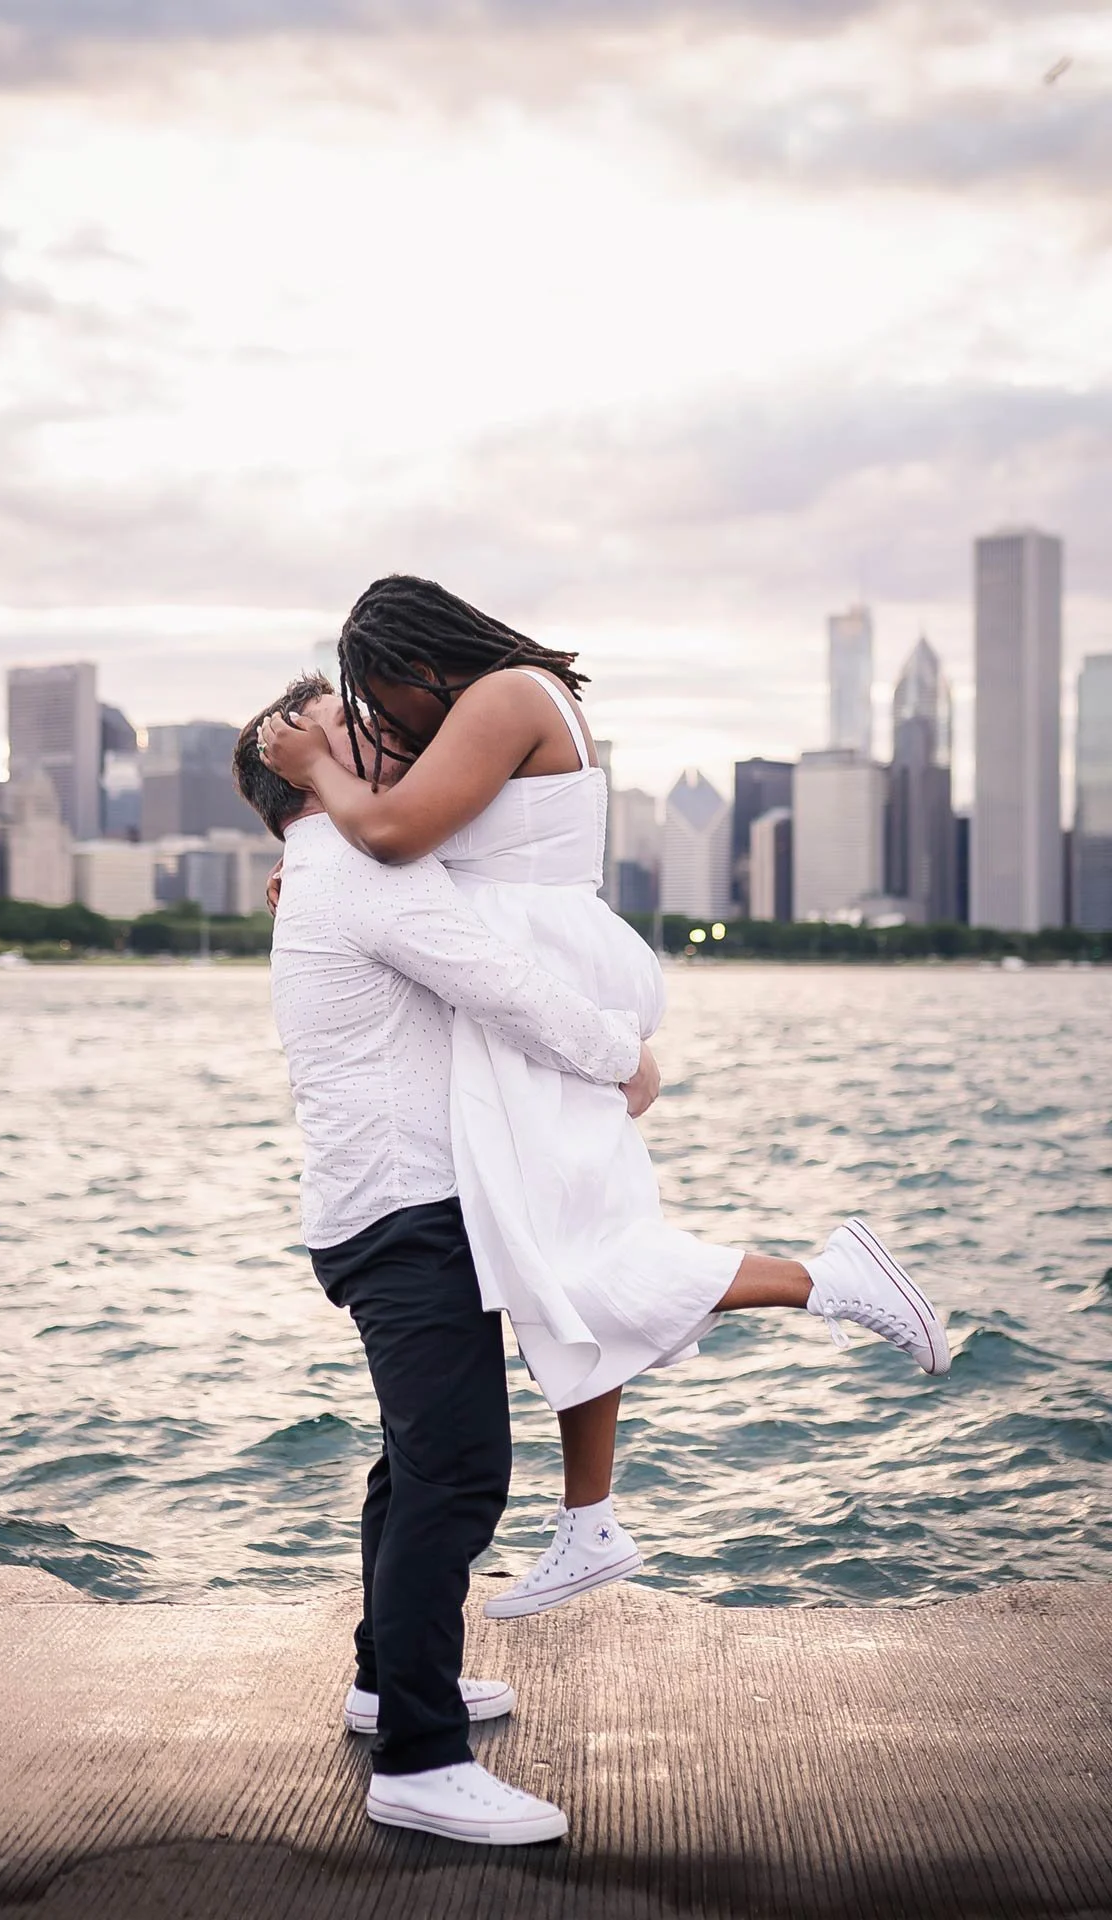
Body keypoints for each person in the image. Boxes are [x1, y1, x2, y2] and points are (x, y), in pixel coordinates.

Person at [259, 574, 952, 1620]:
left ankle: (823, 1278)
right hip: (526, 981)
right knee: (563, 1252)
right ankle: (588, 1519)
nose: (379, 728)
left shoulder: (501, 697)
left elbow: (398, 833)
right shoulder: (505, 704)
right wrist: (319, 861)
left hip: (529, 985)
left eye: (372, 700)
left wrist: (317, 773)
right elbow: (402, 841)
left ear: (408, 665)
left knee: (579, 1252)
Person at [234, 670, 663, 1846]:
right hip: (404, 1219)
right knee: (458, 1474)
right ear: (294, 769)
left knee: (409, 1464)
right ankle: (419, 1761)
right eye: (347, 729)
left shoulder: (343, 870)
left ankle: (387, 1683)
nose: (376, 740)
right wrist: (622, 1056)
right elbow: (503, 984)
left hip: (389, 1211)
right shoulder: (358, 868)